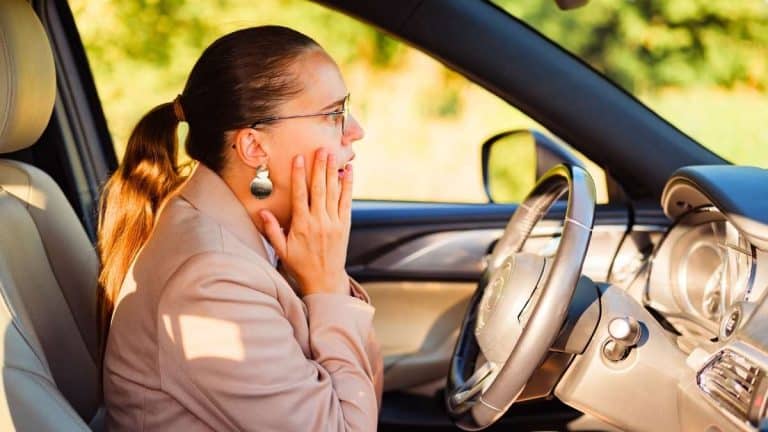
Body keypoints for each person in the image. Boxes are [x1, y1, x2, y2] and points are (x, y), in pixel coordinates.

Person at [98, 26, 383, 431]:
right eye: (333, 114)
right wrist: (328, 286)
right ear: (254, 147)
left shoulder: (234, 228)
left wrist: (325, 281)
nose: (355, 130)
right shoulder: (210, 282)